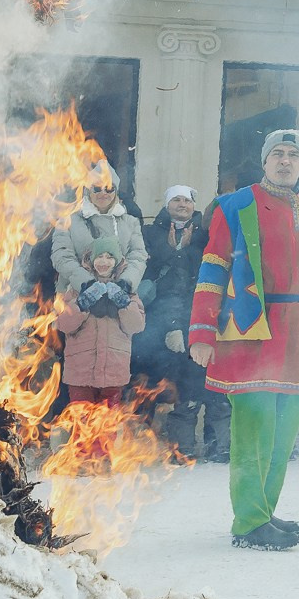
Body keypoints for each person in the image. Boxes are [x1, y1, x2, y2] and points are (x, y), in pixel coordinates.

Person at [189, 128, 299, 552]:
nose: (286, 161)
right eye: (278, 153)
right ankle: (249, 521)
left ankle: (265, 511)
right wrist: (202, 332)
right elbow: (213, 267)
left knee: (283, 432)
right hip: (250, 330)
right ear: (265, 160)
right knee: (254, 430)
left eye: (294, 154)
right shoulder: (234, 205)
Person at [144, 185, 226, 460]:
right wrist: (172, 325)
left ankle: (219, 445)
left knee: (213, 385)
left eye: (187, 200)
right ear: (167, 205)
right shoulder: (152, 234)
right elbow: (156, 278)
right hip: (165, 321)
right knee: (181, 387)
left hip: (202, 317)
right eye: (176, 200)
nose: (182, 205)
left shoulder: (204, 236)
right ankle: (183, 448)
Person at [56, 234, 146, 405]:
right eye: (99, 256)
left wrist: (123, 302)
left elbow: (136, 326)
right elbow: (64, 324)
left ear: (118, 262)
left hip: (113, 374)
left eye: (109, 257)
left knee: (107, 426)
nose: (104, 261)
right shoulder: (76, 290)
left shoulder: (128, 291)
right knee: (81, 425)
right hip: (80, 374)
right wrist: (82, 304)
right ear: (91, 260)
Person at [51, 161, 149, 295]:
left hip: (120, 297)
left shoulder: (130, 223)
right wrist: (88, 284)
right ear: (87, 191)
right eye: (97, 188)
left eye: (109, 188)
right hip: (76, 295)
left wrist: (125, 283)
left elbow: (138, 256)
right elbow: (62, 257)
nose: (103, 193)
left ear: (116, 192)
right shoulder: (67, 222)